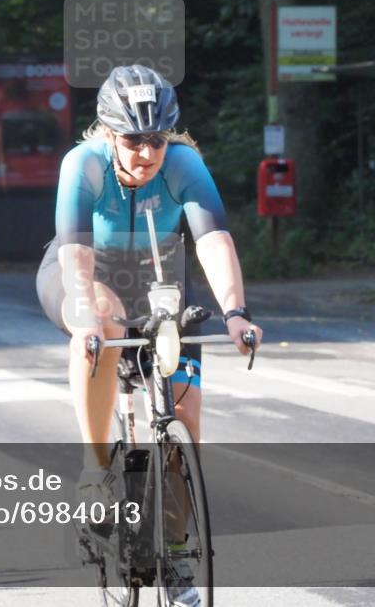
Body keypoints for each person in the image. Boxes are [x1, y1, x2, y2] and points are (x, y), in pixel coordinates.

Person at [36, 65, 262, 606]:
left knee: (186, 412)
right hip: (86, 272)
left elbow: (213, 239)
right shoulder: (83, 164)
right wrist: (85, 317)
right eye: (133, 140)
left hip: (161, 276)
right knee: (104, 318)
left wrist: (235, 313)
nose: (146, 152)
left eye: (156, 139)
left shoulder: (183, 164)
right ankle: (95, 470)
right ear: (109, 133)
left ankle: (178, 555)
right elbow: (76, 252)